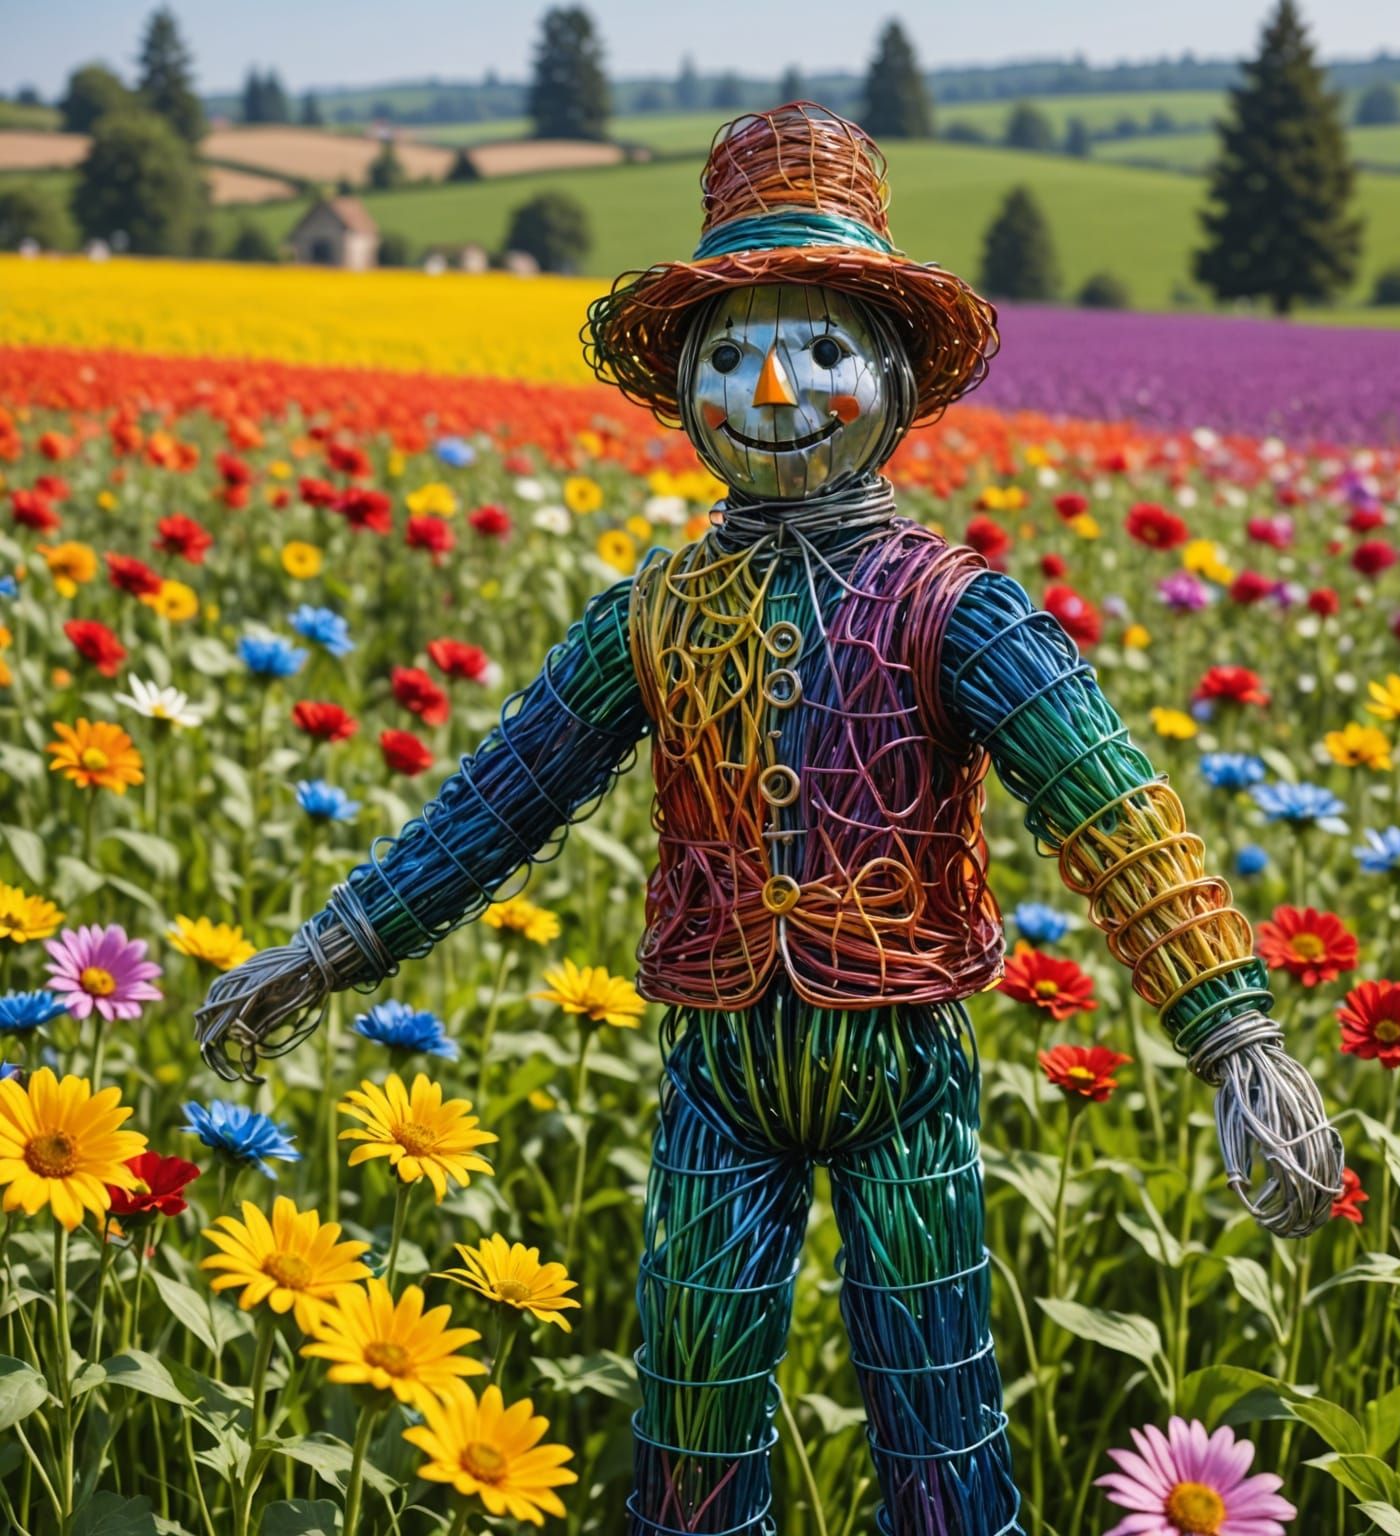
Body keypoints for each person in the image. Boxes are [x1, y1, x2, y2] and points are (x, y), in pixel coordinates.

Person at [198, 102, 1341, 1536]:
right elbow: (497, 801)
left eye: (819, 348)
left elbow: (1113, 809)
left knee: (943, 1407)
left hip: (900, 1060)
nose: (775, 386)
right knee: (690, 1402)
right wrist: (337, 945)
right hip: (717, 1071)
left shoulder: (959, 609)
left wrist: (1233, 1027)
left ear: (893, 380)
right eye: (729, 354)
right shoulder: (656, 615)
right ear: (682, 390)